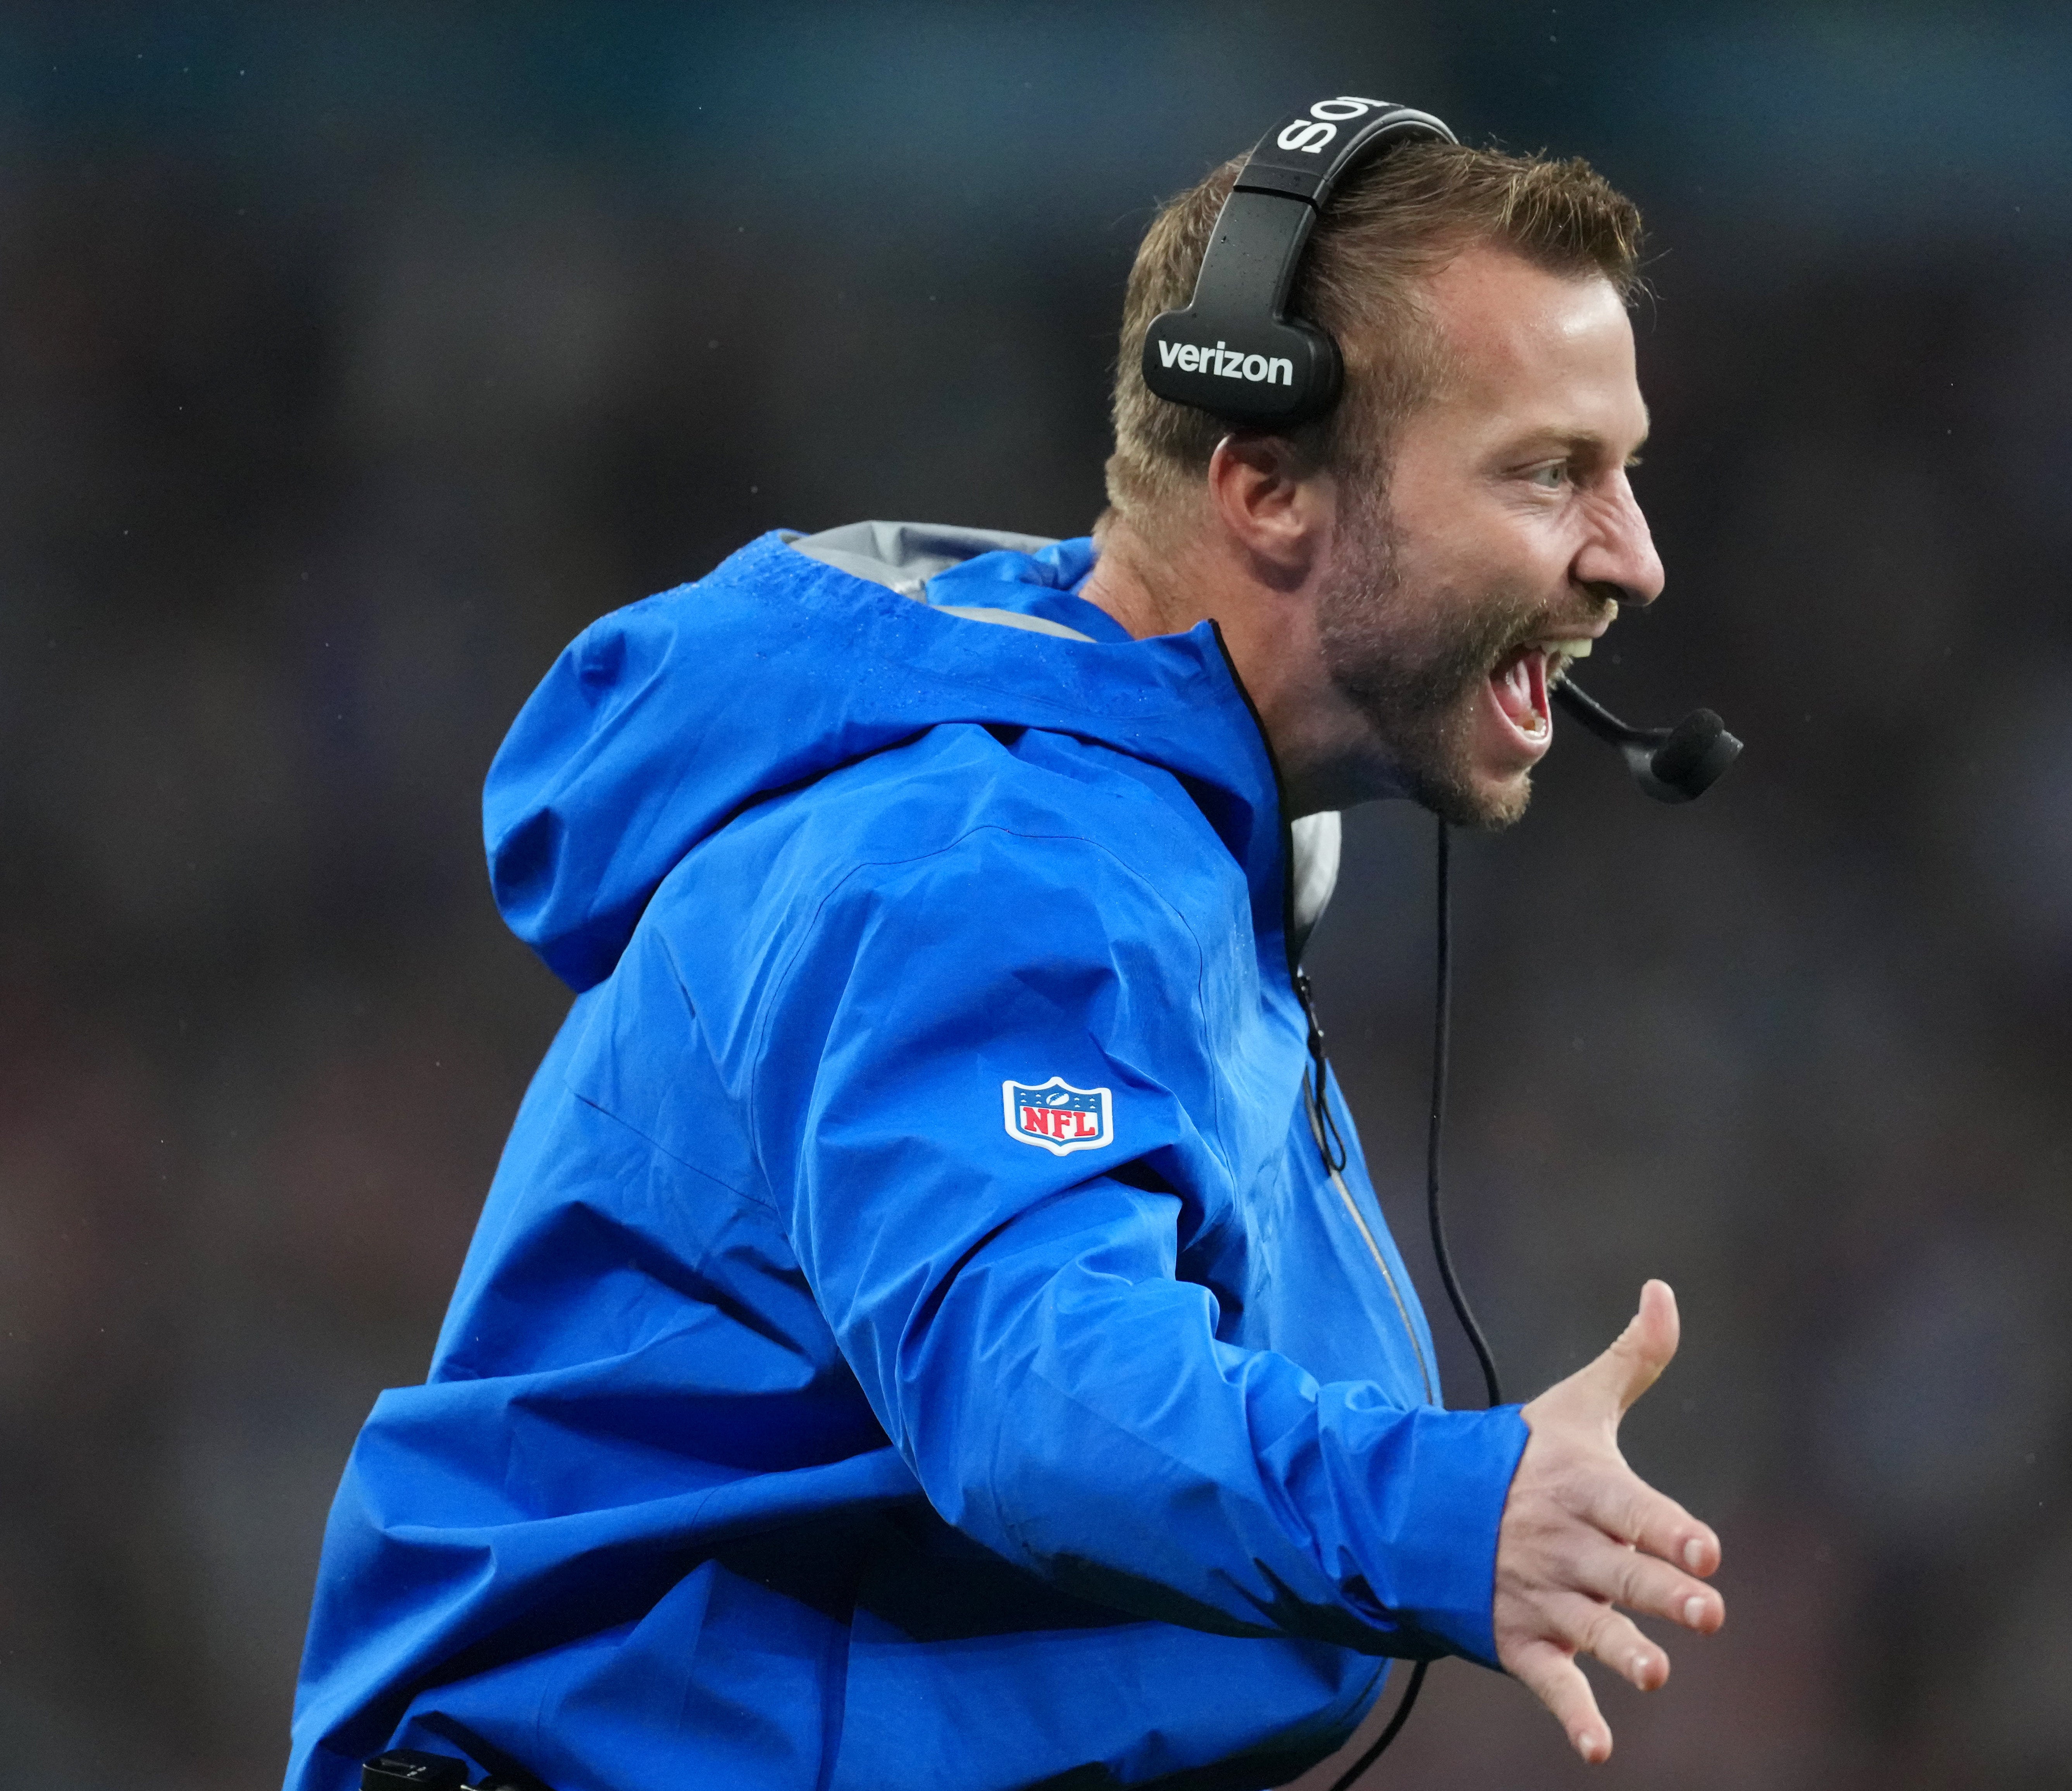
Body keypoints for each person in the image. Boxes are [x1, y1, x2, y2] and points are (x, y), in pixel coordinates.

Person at [288, 124, 1723, 1791]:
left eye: (1617, 470)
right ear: (1263, 486)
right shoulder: (990, 867)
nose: (1634, 555)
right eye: (1548, 471)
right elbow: (1041, 1395)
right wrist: (1448, 1508)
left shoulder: (1156, 818)